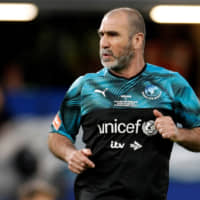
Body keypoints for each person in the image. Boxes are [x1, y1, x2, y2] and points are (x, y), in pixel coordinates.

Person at [48, 7, 200, 200]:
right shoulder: (84, 86)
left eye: (113, 35)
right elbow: (56, 136)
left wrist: (179, 133)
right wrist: (70, 154)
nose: (104, 43)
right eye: (101, 35)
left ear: (137, 40)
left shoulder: (171, 84)